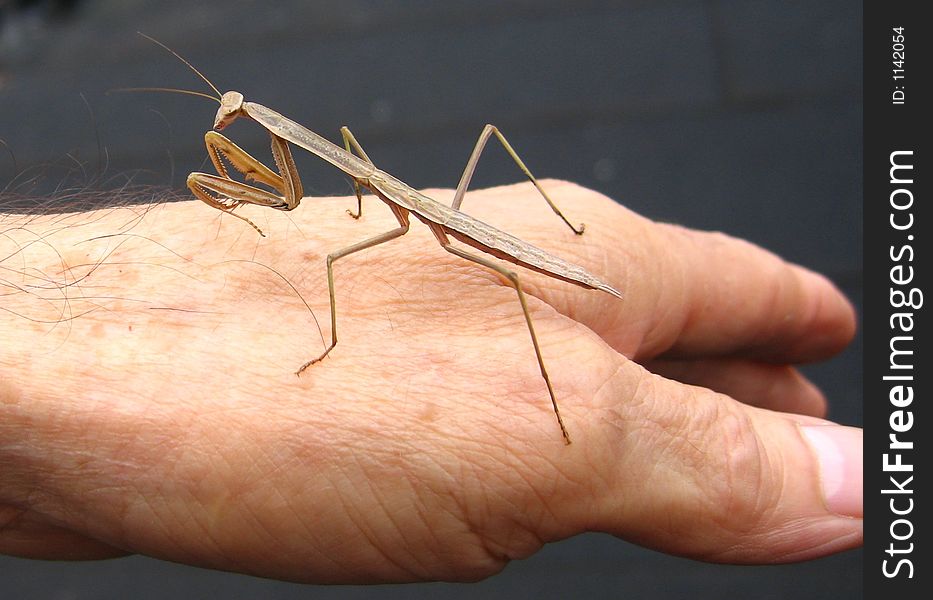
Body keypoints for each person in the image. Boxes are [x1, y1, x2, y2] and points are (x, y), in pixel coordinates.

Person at [0, 181, 861, 582]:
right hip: (435, 216)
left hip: (475, 237)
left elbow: (301, 209)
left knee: (502, 288)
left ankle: (557, 389)